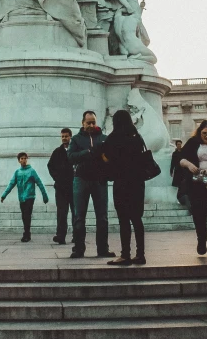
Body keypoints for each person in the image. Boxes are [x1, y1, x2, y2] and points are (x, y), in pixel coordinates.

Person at [67, 110, 115, 259]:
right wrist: (87, 152)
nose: (91, 125)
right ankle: (78, 249)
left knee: (102, 217)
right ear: (83, 123)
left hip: (99, 180)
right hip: (81, 179)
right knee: (79, 216)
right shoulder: (75, 139)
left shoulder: (104, 138)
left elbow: (110, 157)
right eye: (88, 122)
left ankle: (103, 249)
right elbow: (70, 157)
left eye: (93, 122)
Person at [101, 109, 146, 265]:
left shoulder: (114, 138)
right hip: (138, 184)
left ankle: (125, 255)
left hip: (122, 184)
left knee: (124, 220)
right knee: (137, 219)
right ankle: (140, 254)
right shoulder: (137, 137)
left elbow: (107, 159)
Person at [179, 121, 207, 258]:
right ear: (199, 132)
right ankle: (201, 241)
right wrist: (188, 164)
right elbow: (180, 159)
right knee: (199, 215)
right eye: (204, 133)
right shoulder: (193, 142)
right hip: (197, 184)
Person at [1, 152, 49, 242]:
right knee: (24, 216)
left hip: (30, 197)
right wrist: (4, 195)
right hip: (21, 197)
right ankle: (27, 232)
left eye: (25, 158)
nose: (23, 160)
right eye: (21, 158)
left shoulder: (32, 171)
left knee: (27, 215)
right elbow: (11, 184)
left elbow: (39, 183)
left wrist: (44, 196)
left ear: (27, 159)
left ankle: (26, 234)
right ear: (19, 160)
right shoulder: (17, 172)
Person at [47, 128, 75, 244]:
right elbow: (50, 166)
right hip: (61, 187)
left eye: (66, 136)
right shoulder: (57, 151)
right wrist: (57, 178)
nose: (64, 138)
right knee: (61, 213)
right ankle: (60, 235)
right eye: (62, 136)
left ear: (70, 137)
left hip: (74, 187)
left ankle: (77, 235)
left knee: (76, 213)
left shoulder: (75, 150)